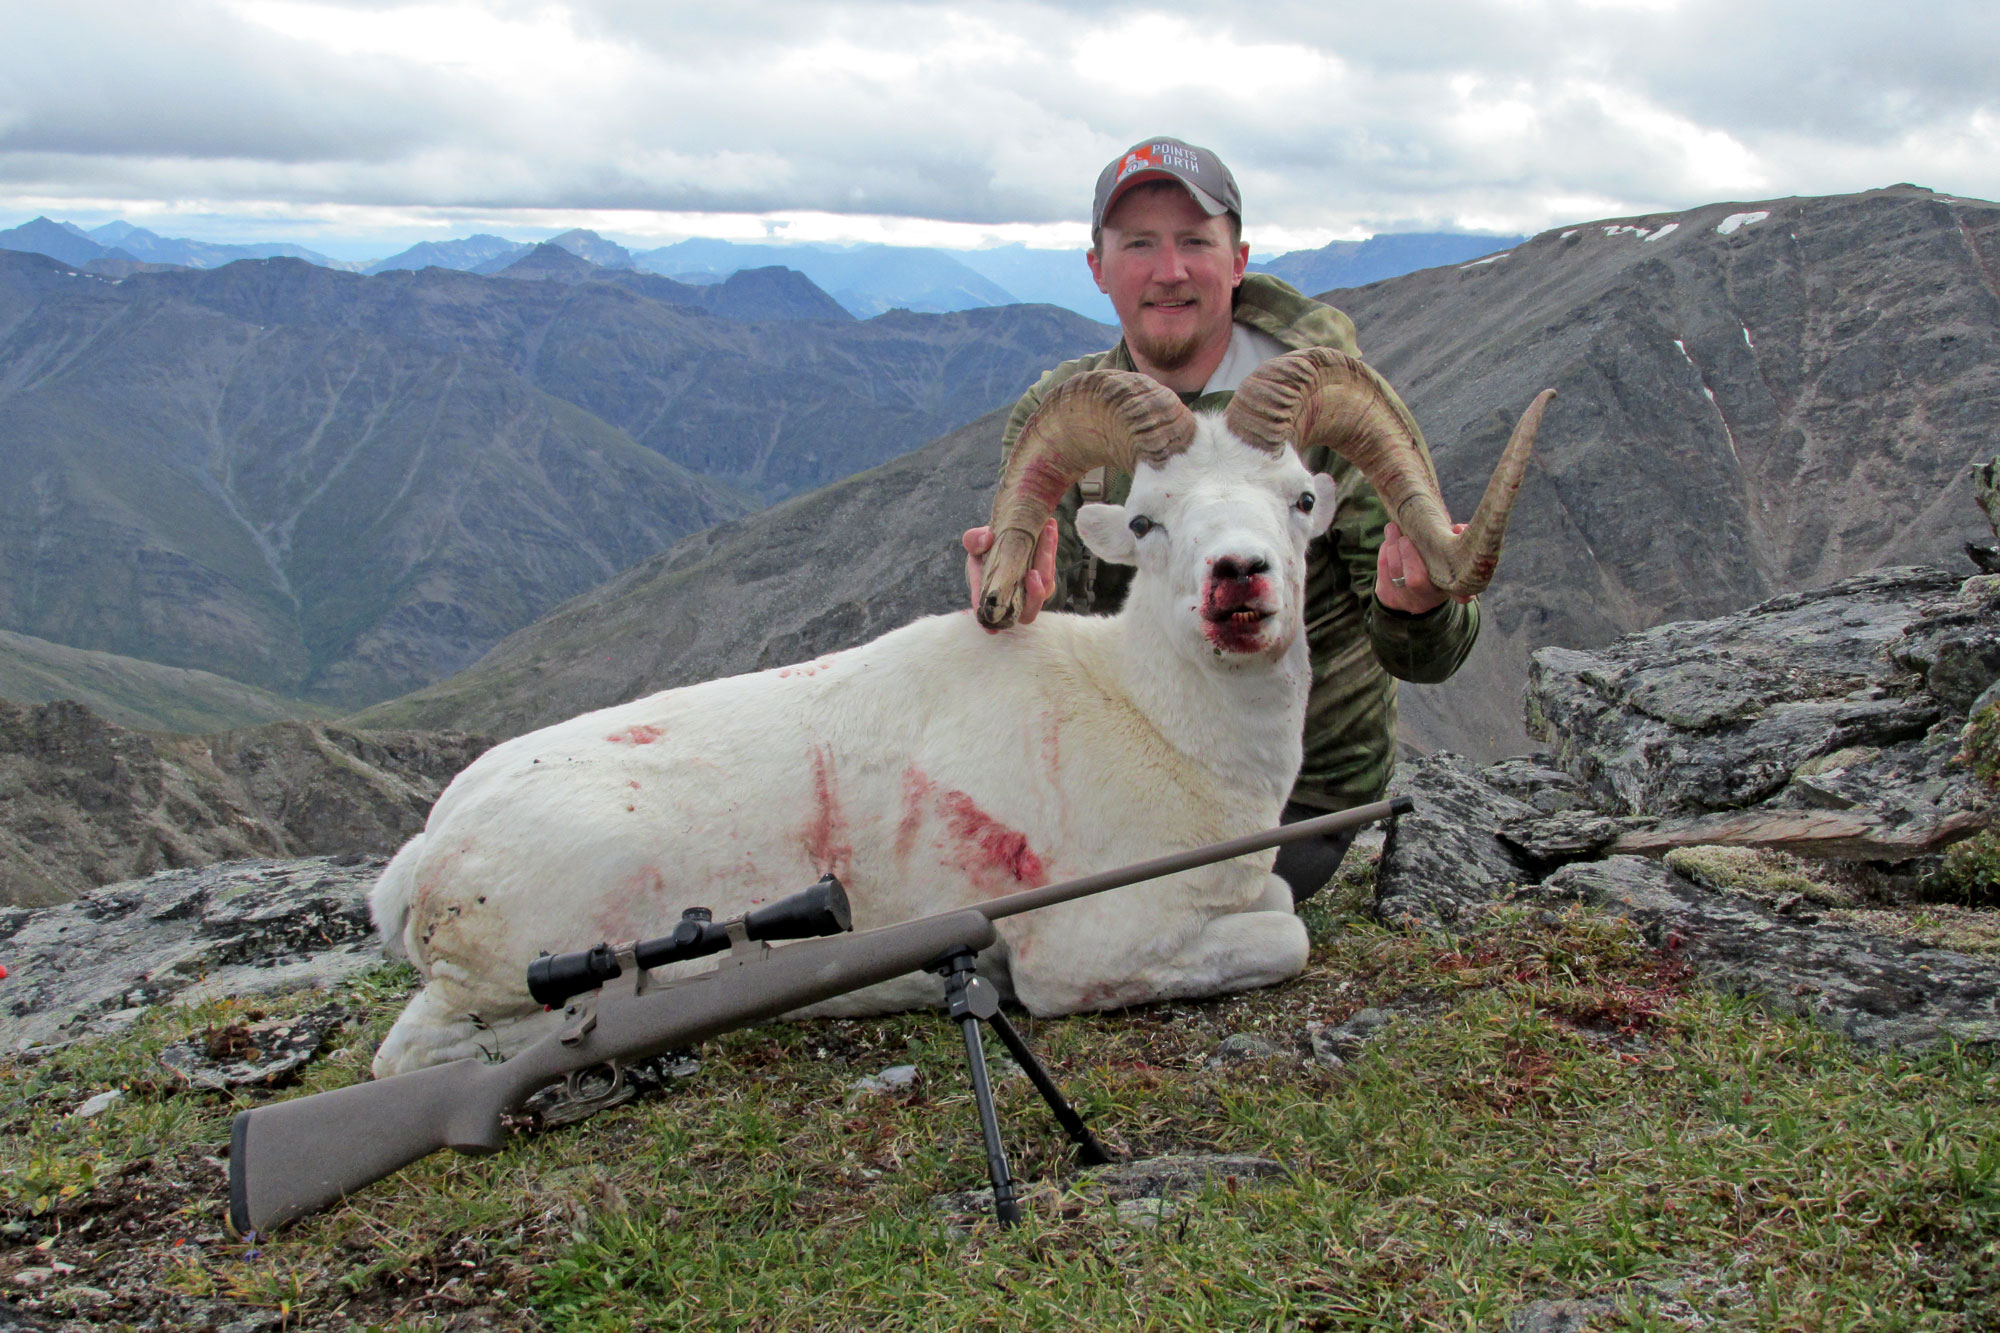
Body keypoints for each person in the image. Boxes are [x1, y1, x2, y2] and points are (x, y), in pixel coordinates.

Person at [962, 136, 1480, 901]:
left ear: (1237, 260)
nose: (1168, 269)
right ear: (1098, 268)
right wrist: (1008, 604)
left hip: (1292, 795)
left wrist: (1421, 605)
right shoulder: (1068, 415)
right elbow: (1033, 616)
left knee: (1077, 917)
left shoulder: (1327, 405)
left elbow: (1433, 652)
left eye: (1194, 241)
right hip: (1125, 764)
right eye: (1139, 243)